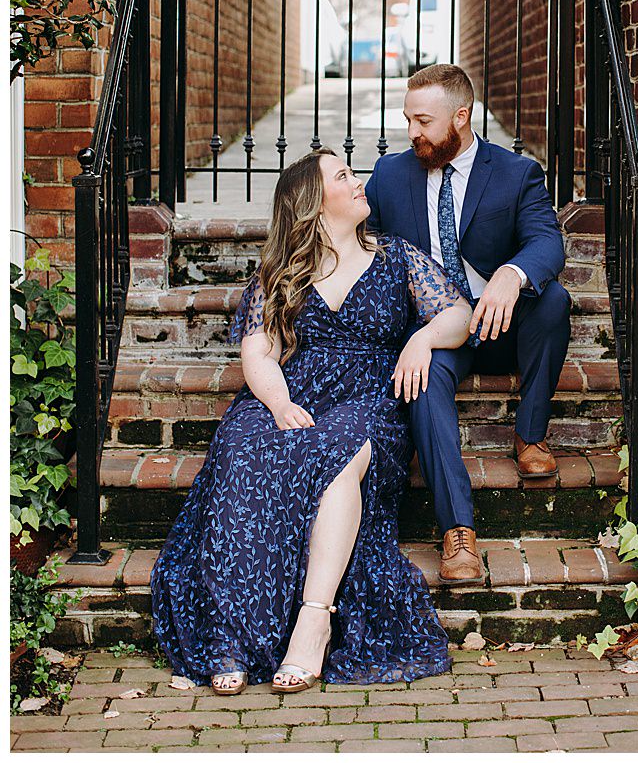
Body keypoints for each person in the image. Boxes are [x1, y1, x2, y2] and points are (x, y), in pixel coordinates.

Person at [150, 150, 473, 694]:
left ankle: (313, 620)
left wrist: (421, 338)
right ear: (313, 204)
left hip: (368, 399)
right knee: (241, 449)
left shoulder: (398, 258)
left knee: (343, 450)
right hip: (290, 392)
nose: (357, 182)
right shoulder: (281, 275)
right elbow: (258, 354)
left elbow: (459, 313)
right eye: (343, 176)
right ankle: (230, 635)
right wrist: (277, 405)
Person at [363, 63, 570, 584]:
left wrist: (513, 272)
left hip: (498, 320)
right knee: (424, 376)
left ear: (461, 117)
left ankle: (530, 437)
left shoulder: (516, 172)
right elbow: (365, 247)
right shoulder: (390, 175)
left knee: (553, 302)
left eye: (424, 122)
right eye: (408, 119)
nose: (413, 132)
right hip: (434, 329)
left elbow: (547, 241)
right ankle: (458, 531)